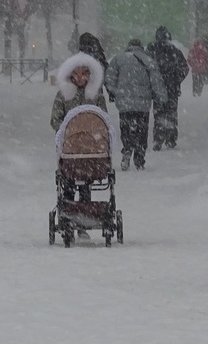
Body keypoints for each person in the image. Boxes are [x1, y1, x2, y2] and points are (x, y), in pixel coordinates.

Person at [51, 52, 108, 240]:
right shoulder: (63, 96)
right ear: (71, 75)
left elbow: (103, 118)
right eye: (77, 73)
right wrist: (66, 132)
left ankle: (84, 219)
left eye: (85, 73)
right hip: (69, 148)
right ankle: (69, 216)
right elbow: (55, 120)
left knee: (86, 185)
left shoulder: (96, 95)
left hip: (91, 148)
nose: (81, 77)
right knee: (68, 183)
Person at [104, 38, 168, 171]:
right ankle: (139, 157)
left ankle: (127, 149)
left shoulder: (118, 59)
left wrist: (116, 92)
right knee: (142, 130)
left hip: (125, 103)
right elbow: (156, 81)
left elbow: (109, 78)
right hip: (142, 103)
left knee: (125, 128)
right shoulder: (148, 60)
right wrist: (162, 98)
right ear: (140, 47)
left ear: (128, 46)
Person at [146, 26, 189, 150]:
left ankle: (158, 139)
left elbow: (147, 69)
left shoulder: (151, 51)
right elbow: (184, 68)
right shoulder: (175, 51)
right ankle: (170, 138)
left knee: (159, 114)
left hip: (157, 89)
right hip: (172, 89)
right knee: (171, 114)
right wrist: (176, 80)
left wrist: (152, 82)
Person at [78, 32, 112, 101]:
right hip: (97, 93)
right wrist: (110, 91)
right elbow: (107, 76)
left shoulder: (80, 58)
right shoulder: (99, 56)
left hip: (81, 95)